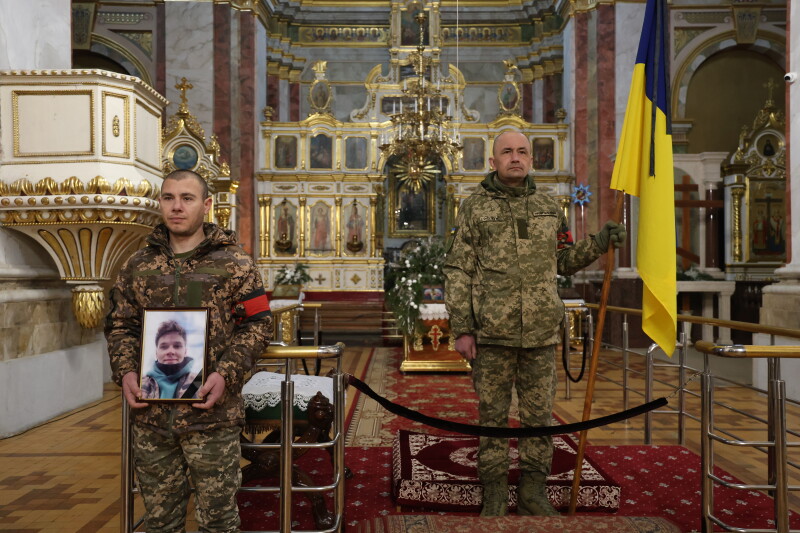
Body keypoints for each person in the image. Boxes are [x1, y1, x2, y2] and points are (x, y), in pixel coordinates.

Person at [443, 130, 626, 517]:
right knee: (492, 417)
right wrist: (462, 328)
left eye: (522, 151)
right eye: (507, 152)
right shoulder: (474, 208)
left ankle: (532, 490)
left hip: (541, 334)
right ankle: (494, 490)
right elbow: (458, 270)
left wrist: (598, 243)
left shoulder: (548, 207)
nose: (515, 157)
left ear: (531, 160)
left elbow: (564, 259)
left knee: (539, 417)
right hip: (492, 333)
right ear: (493, 161)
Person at [105, 169, 272, 533]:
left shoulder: (235, 263)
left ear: (206, 204)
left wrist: (224, 374)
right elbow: (121, 326)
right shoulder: (137, 265)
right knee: (160, 522)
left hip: (212, 418)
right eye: (168, 198)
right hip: (152, 419)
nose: (176, 207)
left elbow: (259, 325)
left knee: (218, 522)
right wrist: (126, 371)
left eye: (187, 198)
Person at [140, 319, 202, 400]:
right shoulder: (139, 384)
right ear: (156, 353)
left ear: (185, 352)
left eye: (177, 346)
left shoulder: (200, 382)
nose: (171, 351)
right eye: (164, 347)